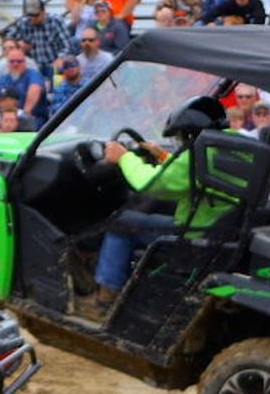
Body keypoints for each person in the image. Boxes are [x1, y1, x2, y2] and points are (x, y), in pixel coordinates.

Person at [81, 97, 238, 317]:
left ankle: (105, 298)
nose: (181, 143)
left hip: (194, 235)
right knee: (140, 218)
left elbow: (151, 184)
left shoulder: (200, 154)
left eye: (182, 138)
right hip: (221, 230)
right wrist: (162, 156)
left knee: (121, 223)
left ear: (192, 133)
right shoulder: (233, 148)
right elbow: (190, 176)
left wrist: (124, 158)